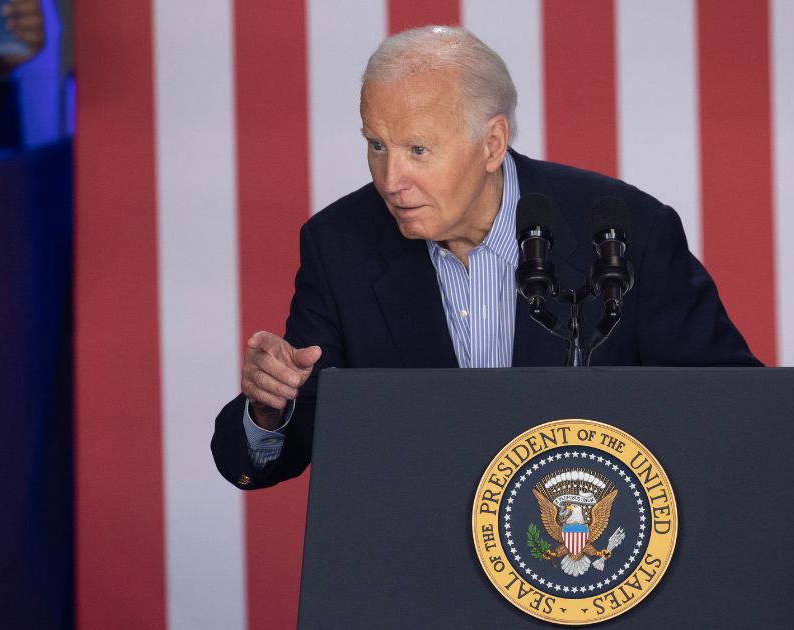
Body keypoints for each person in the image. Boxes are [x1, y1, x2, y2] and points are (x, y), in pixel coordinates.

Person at [211, 26, 759, 491]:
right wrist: (268, 407)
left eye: (417, 149)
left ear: (492, 144)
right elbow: (285, 446)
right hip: (424, 574)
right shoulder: (340, 246)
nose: (390, 179)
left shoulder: (624, 232)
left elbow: (738, 412)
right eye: (376, 144)